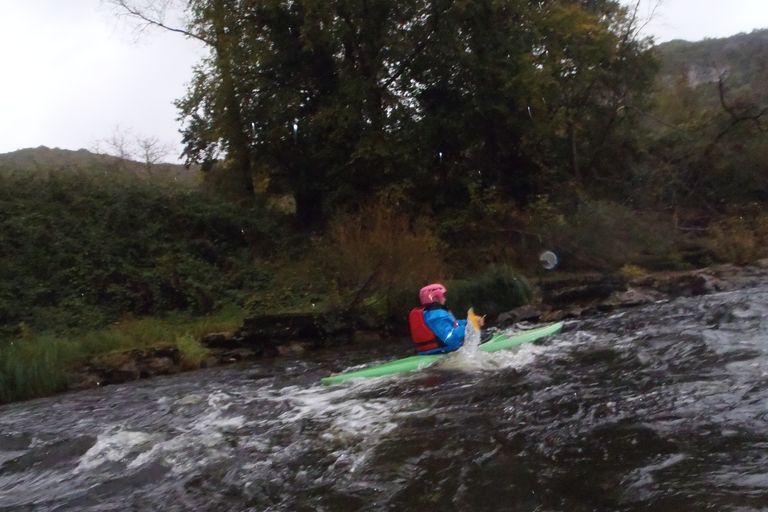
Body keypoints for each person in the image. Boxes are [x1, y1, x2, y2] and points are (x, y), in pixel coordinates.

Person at [408, 283, 482, 354]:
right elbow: (450, 337)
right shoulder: (436, 315)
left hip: (434, 350)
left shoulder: (429, 313)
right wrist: (470, 327)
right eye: (443, 296)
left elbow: (453, 324)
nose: (445, 299)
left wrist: (468, 322)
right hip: (441, 351)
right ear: (435, 297)